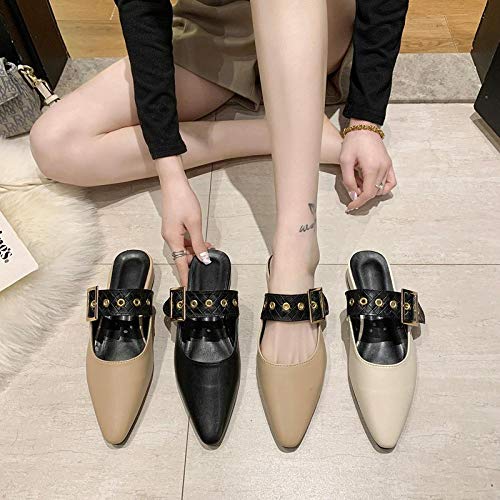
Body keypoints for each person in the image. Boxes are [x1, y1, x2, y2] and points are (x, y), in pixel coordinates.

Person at [30, 0, 408, 444]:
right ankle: (275, 134)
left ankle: (296, 248)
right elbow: (142, 11)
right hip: (216, 28)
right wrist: (171, 175)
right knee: (54, 144)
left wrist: (365, 121)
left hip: (313, 17)